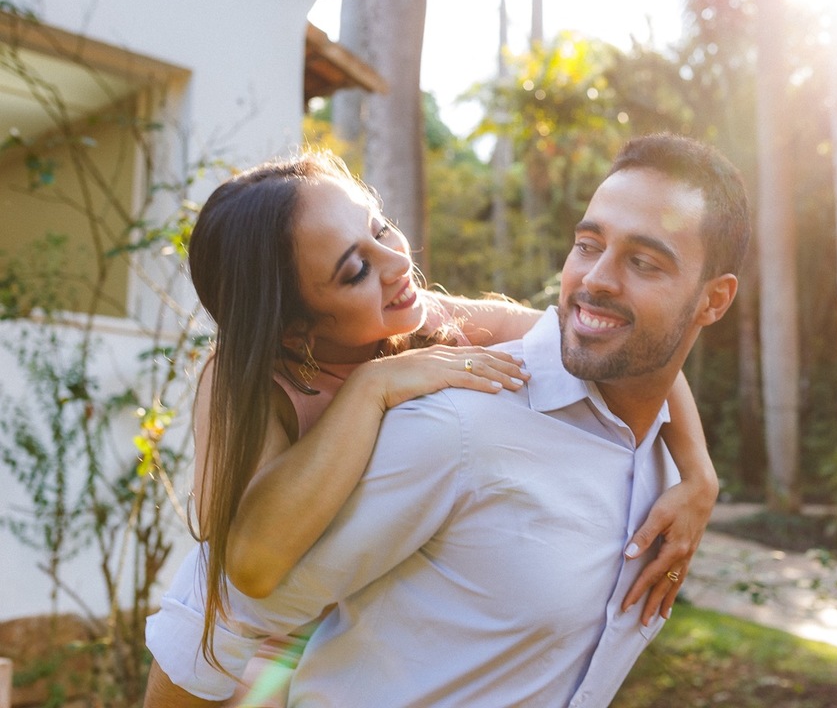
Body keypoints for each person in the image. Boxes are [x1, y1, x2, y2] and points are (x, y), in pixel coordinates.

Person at [144, 133, 749, 707]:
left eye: (380, 227)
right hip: (251, 650)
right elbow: (245, 569)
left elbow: (614, 345)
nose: (395, 262)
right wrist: (373, 388)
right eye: (354, 270)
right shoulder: (244, 383)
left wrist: (698, 475)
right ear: (296, 327)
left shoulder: (422, 315)